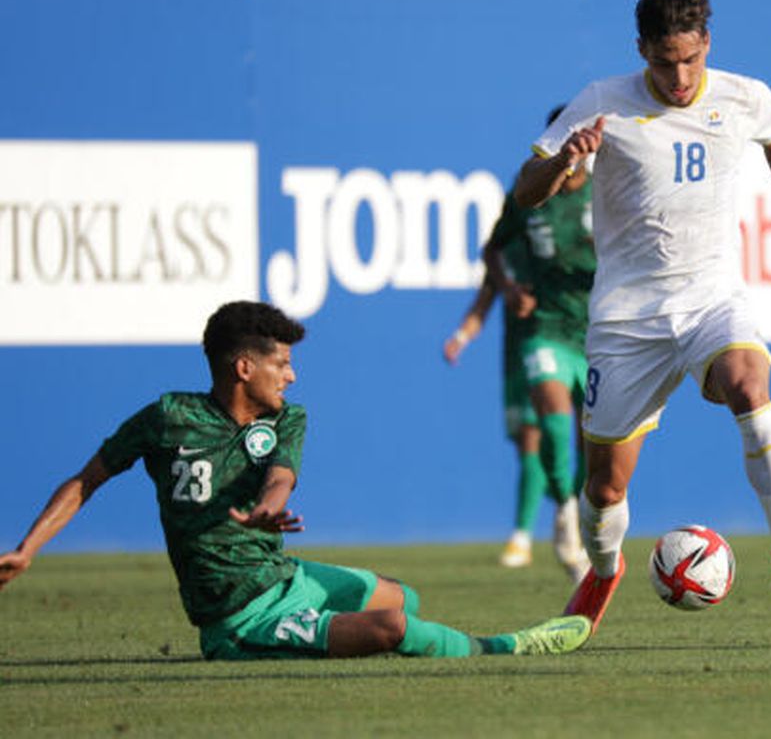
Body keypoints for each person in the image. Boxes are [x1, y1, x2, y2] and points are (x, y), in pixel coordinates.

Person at [0, 301, 591, 659]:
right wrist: (28, 549)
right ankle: (508, 644)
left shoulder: (288, 417)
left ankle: (342, 634)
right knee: (392, 626)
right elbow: (85, 479)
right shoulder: (166, 418)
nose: (292, 374)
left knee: (402, 597)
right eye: (280, 363)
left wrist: (267, 506)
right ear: (243, 367)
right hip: (238, 617)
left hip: (285, 577)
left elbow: (281, 477)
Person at [512, 0, 771, 635]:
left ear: (706, 43)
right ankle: (603, 572)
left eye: (689, 59)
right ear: (642, 51)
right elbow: (525, 192)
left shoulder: (745, 96)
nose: (679, 76)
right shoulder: (603, 101)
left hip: (711, 299)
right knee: (604, 489)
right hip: (628, 320)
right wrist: (565, 161)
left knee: (748, 383)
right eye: (663, 62)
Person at [484, 104, 596, 585]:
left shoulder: (610, 191)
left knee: (594, 446)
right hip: (545, 327)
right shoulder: (529, 192)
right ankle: (566, 508)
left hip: (600, 332)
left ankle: (575, 504)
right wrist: (509, 288)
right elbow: (493, 247)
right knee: (551, 418)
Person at [444, 248, 553, 571]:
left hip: (555, 348)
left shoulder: (561, 238)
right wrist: (461, 337)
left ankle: (525, 535)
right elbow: (483, 302)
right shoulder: (506, 250)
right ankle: (563, 512)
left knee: (542, 437)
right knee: (527, 444)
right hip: (515, 361)